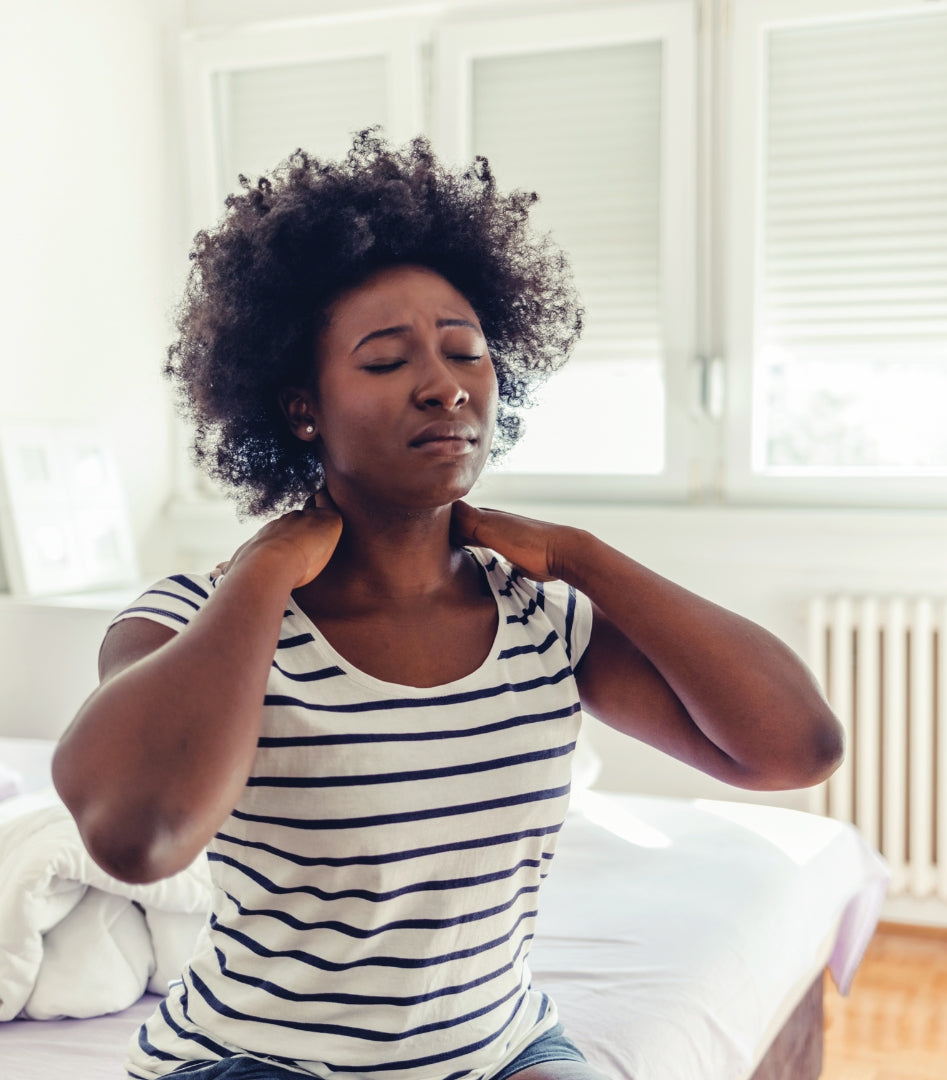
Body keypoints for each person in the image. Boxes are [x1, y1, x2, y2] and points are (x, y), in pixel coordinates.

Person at [52, 130, 843, 1080]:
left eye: (466, 352)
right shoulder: (194, 617)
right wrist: (263, 572)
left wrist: (582, 556)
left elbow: (795, 748)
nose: (444, 386)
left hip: (503, 1049)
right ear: (302, 409)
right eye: (387, 362)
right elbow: (139, 837)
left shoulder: (542, 616)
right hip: (258, 1060)